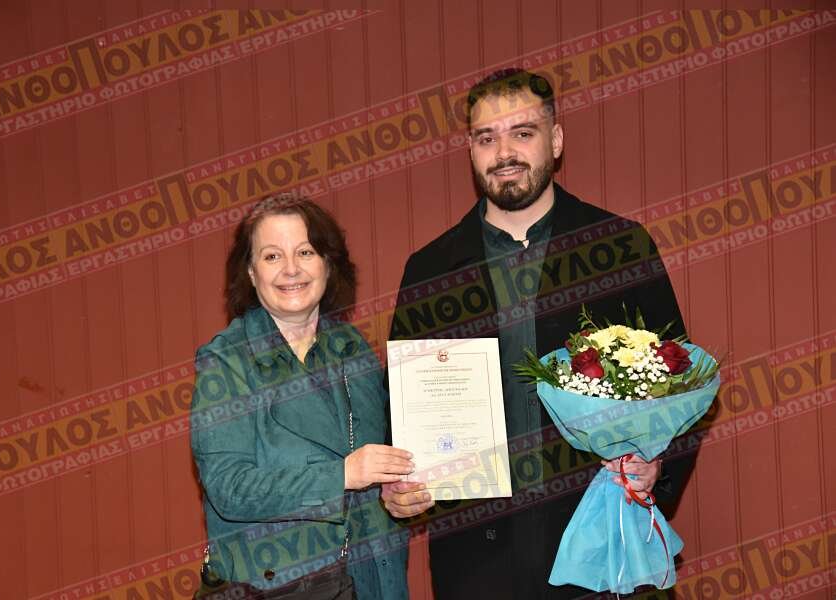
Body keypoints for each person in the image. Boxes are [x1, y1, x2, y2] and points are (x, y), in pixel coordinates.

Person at [381, 69, 696, 599]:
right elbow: (401, 405)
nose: (504, 152)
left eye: (522, 133)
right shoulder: (430, 269)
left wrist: (658, 465)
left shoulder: (619, 247)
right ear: (471, 150)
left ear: (555, 140)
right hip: (476, 557)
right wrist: (401, 485)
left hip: (601, 538)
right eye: (487, 138)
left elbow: (681, 378)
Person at [191, 193, 411, 599]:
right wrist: (341, 475)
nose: (291, 269)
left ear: (328, 263)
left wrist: (396, 495)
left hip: (368, 577)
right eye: (272, 256)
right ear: (251, 272)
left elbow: (370, 467)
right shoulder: (227, 361)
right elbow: (229, 488)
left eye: (305, 252)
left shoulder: (354, 350)